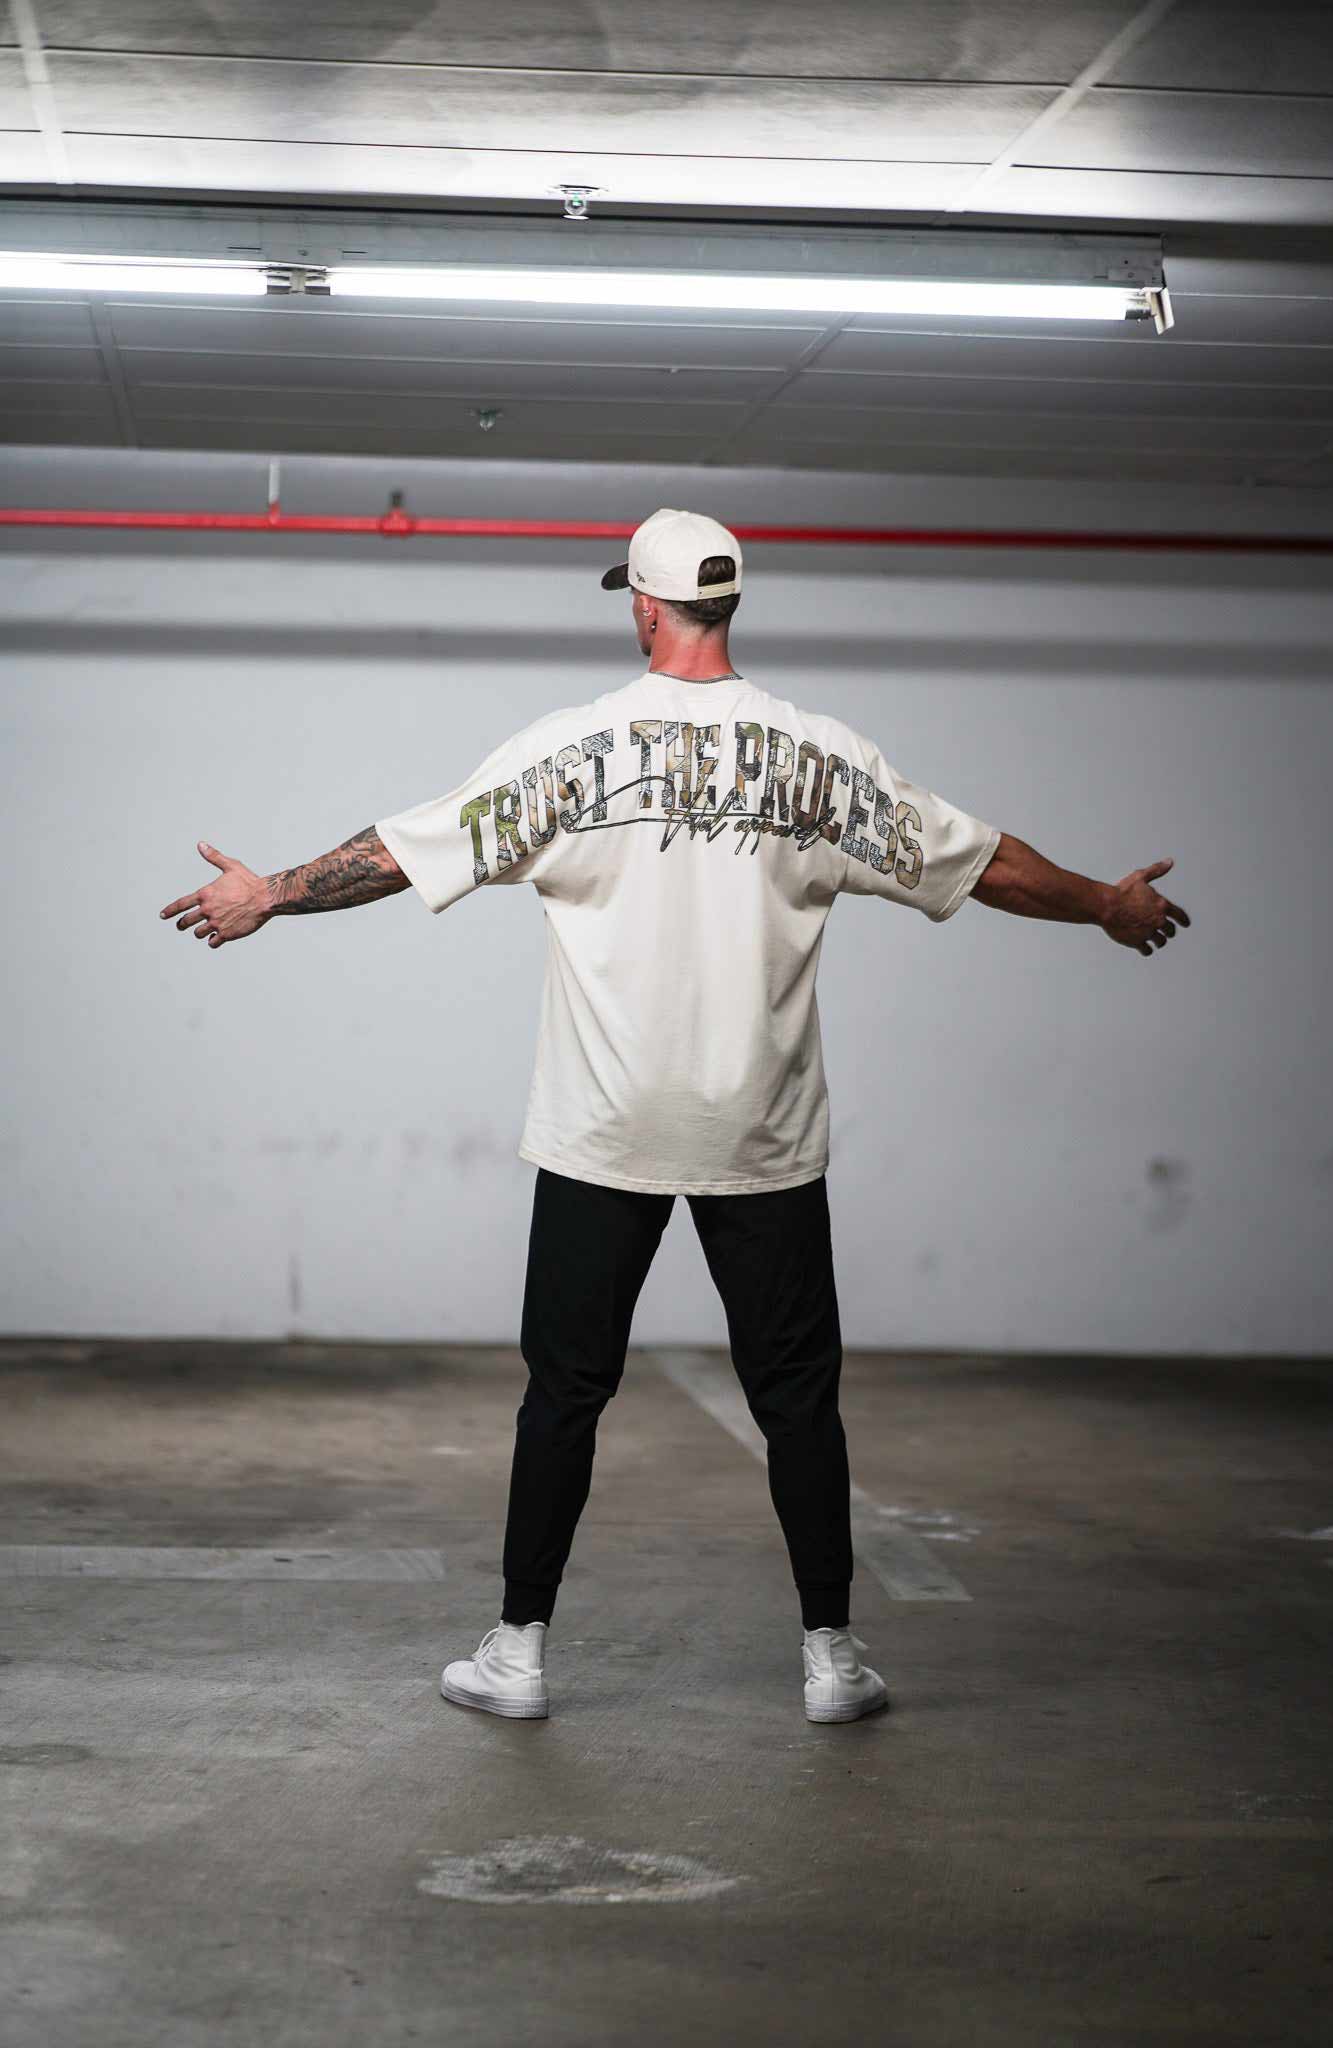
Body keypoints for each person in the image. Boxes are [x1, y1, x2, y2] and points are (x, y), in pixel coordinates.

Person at [159, 506, 1190, 1725]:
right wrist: (1105, 903)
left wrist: (271, 892)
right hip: (763, 1132)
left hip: (604, 1130)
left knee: (564, 1392)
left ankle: (519, 1652)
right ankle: (830, 1656)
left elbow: (407, 848)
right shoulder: (824, 760)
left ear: (645, 607)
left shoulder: (570, 750)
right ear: (728, 603)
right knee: (797, 1398)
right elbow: (980, 860)